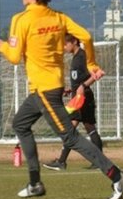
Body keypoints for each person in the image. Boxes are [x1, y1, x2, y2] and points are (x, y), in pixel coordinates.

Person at [0, 0, 123, 199]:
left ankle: (117, 176)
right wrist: (91, 62)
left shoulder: (21, 20)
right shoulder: (58, 18)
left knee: (70, 138)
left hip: (44, 91)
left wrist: (2, 47)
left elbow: (13, 56)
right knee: (20, 124)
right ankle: (34, 182)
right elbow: (86, 37)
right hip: (49, 89)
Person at [43, 33, 104, 171]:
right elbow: (80, 79)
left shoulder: (83, 56)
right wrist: (72, 90)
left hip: (82, 99)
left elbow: (98, 73)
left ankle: (62, 161)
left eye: (65, 44)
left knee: (70, 129)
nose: (64, 47)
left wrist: (83, 86)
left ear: (74, 42)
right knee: (89, 128)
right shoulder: (76, 57)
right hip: (79, 97)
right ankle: (100, 161)